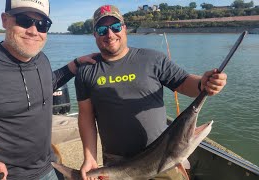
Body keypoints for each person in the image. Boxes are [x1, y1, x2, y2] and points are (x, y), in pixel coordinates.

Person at [0, 0, 95, 179]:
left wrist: (74, 66)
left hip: (49, 167)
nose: (34, 31)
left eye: (43, 24)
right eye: (24, 20)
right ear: (5, 20)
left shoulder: (40, 59)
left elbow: (46, 83)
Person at [75, 4, 227, 180]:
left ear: (124, 28)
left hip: (164, 155)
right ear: (95, 34)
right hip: (117, 163)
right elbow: (86, 116)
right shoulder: (86, 71)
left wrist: (204, 83)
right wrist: (90, 157)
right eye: (102, 30)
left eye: (116, 27)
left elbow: (184, 83)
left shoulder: (152, 59)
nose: (110, 34)